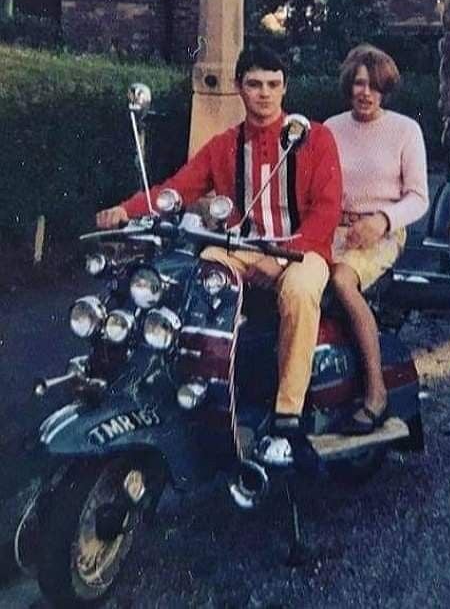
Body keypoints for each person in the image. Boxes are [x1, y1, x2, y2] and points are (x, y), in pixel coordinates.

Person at [96, 45, 342, 466]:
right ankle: (201, 393)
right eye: (254, 84)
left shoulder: (314, 138)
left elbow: (327, 210)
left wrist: (285, 255)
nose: (264, 94)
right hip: (240, 248)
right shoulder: (225, 144)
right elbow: (178, 189)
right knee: (198, 275)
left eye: (273, 85)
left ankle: (287, 417)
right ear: (239, 89)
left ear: (285, 88)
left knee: (299, 295)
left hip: (302, 252)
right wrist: (127, 209)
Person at [325, 45, 429, 434]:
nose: (365, 93)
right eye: (358, 84)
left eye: (374, 86)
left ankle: (376, 392)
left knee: (341, 280)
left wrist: (383, 221)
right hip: (334, 228)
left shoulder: (405, 130)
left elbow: (419, 197)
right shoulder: (331, 128)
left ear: (385, 90)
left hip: (382, 232)